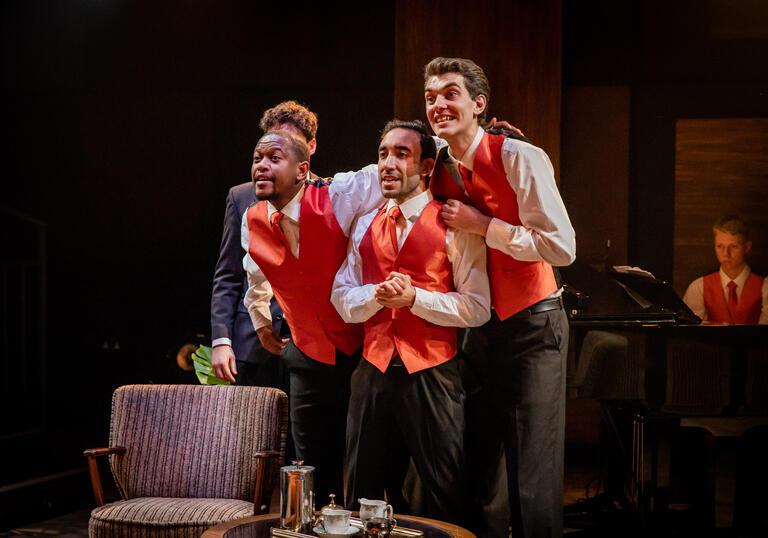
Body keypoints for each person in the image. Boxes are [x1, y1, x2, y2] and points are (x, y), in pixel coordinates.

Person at [423, 57, 576, 538]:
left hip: (534, 324)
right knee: (480, 471)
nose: (439, 104)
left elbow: (562, 247)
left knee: (532, 473)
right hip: (481, 330)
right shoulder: (440, 168)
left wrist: (484, 226)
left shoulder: (518, 156)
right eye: (430, 97)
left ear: (479, 104)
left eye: (450, 93)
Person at [331, 119, 490, 523]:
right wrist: (376, 296)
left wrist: (415, 298)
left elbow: (477, 307)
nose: (388, 163)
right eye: (383, 153)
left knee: (445, 494)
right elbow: (342, 297)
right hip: (373, 370)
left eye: (401, 154)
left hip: (433, 373)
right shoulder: (365, 224)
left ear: (425, 167)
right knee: (359, 491)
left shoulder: (454, 223)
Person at [241, 129, 381, 505]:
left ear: (303, 169)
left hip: (361, 350)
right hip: (306, 354)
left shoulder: (338, 194)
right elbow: (256, 275)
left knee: (366, 460)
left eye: (273, 158)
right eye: (257, 158)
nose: (261, 166)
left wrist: (470, 137)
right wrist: (261, 323)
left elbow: (390, 168)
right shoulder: (251, 219)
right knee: (313, 465)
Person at [210, 101, 319, 385]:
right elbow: (229, 274)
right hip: (251, 344)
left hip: (309, 342)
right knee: (249, 427)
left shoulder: (330, 196)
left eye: (285, 143)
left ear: (310, 147)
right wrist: (221, 339)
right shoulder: (242, 197)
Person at [683, 215, 767, 324]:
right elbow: (691, 334)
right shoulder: (699, 287)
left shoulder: (765, 286)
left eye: (733, 246)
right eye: (720, 246)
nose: (726, 253)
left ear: (747, 247)